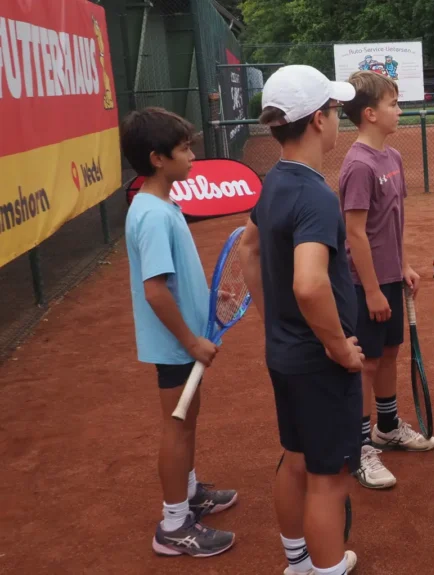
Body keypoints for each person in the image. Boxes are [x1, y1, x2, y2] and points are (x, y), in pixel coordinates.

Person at [238, 64, 364, 575]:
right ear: (317, 120)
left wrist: (275, 322)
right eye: (335, 110)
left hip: (286, 354)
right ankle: (325, 568)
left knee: (295, 459)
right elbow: (310, 284)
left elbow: (248, 249)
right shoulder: (315, 195)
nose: (338, 118)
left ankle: (299, 563)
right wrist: (338, 347)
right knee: (329, 477)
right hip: (318, 362)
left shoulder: (274, 181)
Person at [121, 107, 237, 558]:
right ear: (158, 158)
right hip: (175, 344)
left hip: (181, 339)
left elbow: (173, 281)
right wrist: (190, 341)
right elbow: (154, 291)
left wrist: (206, 299)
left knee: (187, 422)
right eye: (185, 149)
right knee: (176, 428)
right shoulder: (152, 215)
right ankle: (173, 525)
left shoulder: (161, 205)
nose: (192, 156)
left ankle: (188, 495)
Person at [338, 70, 434, 491]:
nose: (399, 111)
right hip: (365, 286)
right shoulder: (359, 165)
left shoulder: (392, 158)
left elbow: (392, 222)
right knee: (367, 362)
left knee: (390, 352)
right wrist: (373, 289)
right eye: (393, 104)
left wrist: (403, 266)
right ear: (370, 114)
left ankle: (387, 426)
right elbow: (355, 233)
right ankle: (361, 446)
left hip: (390, 280)